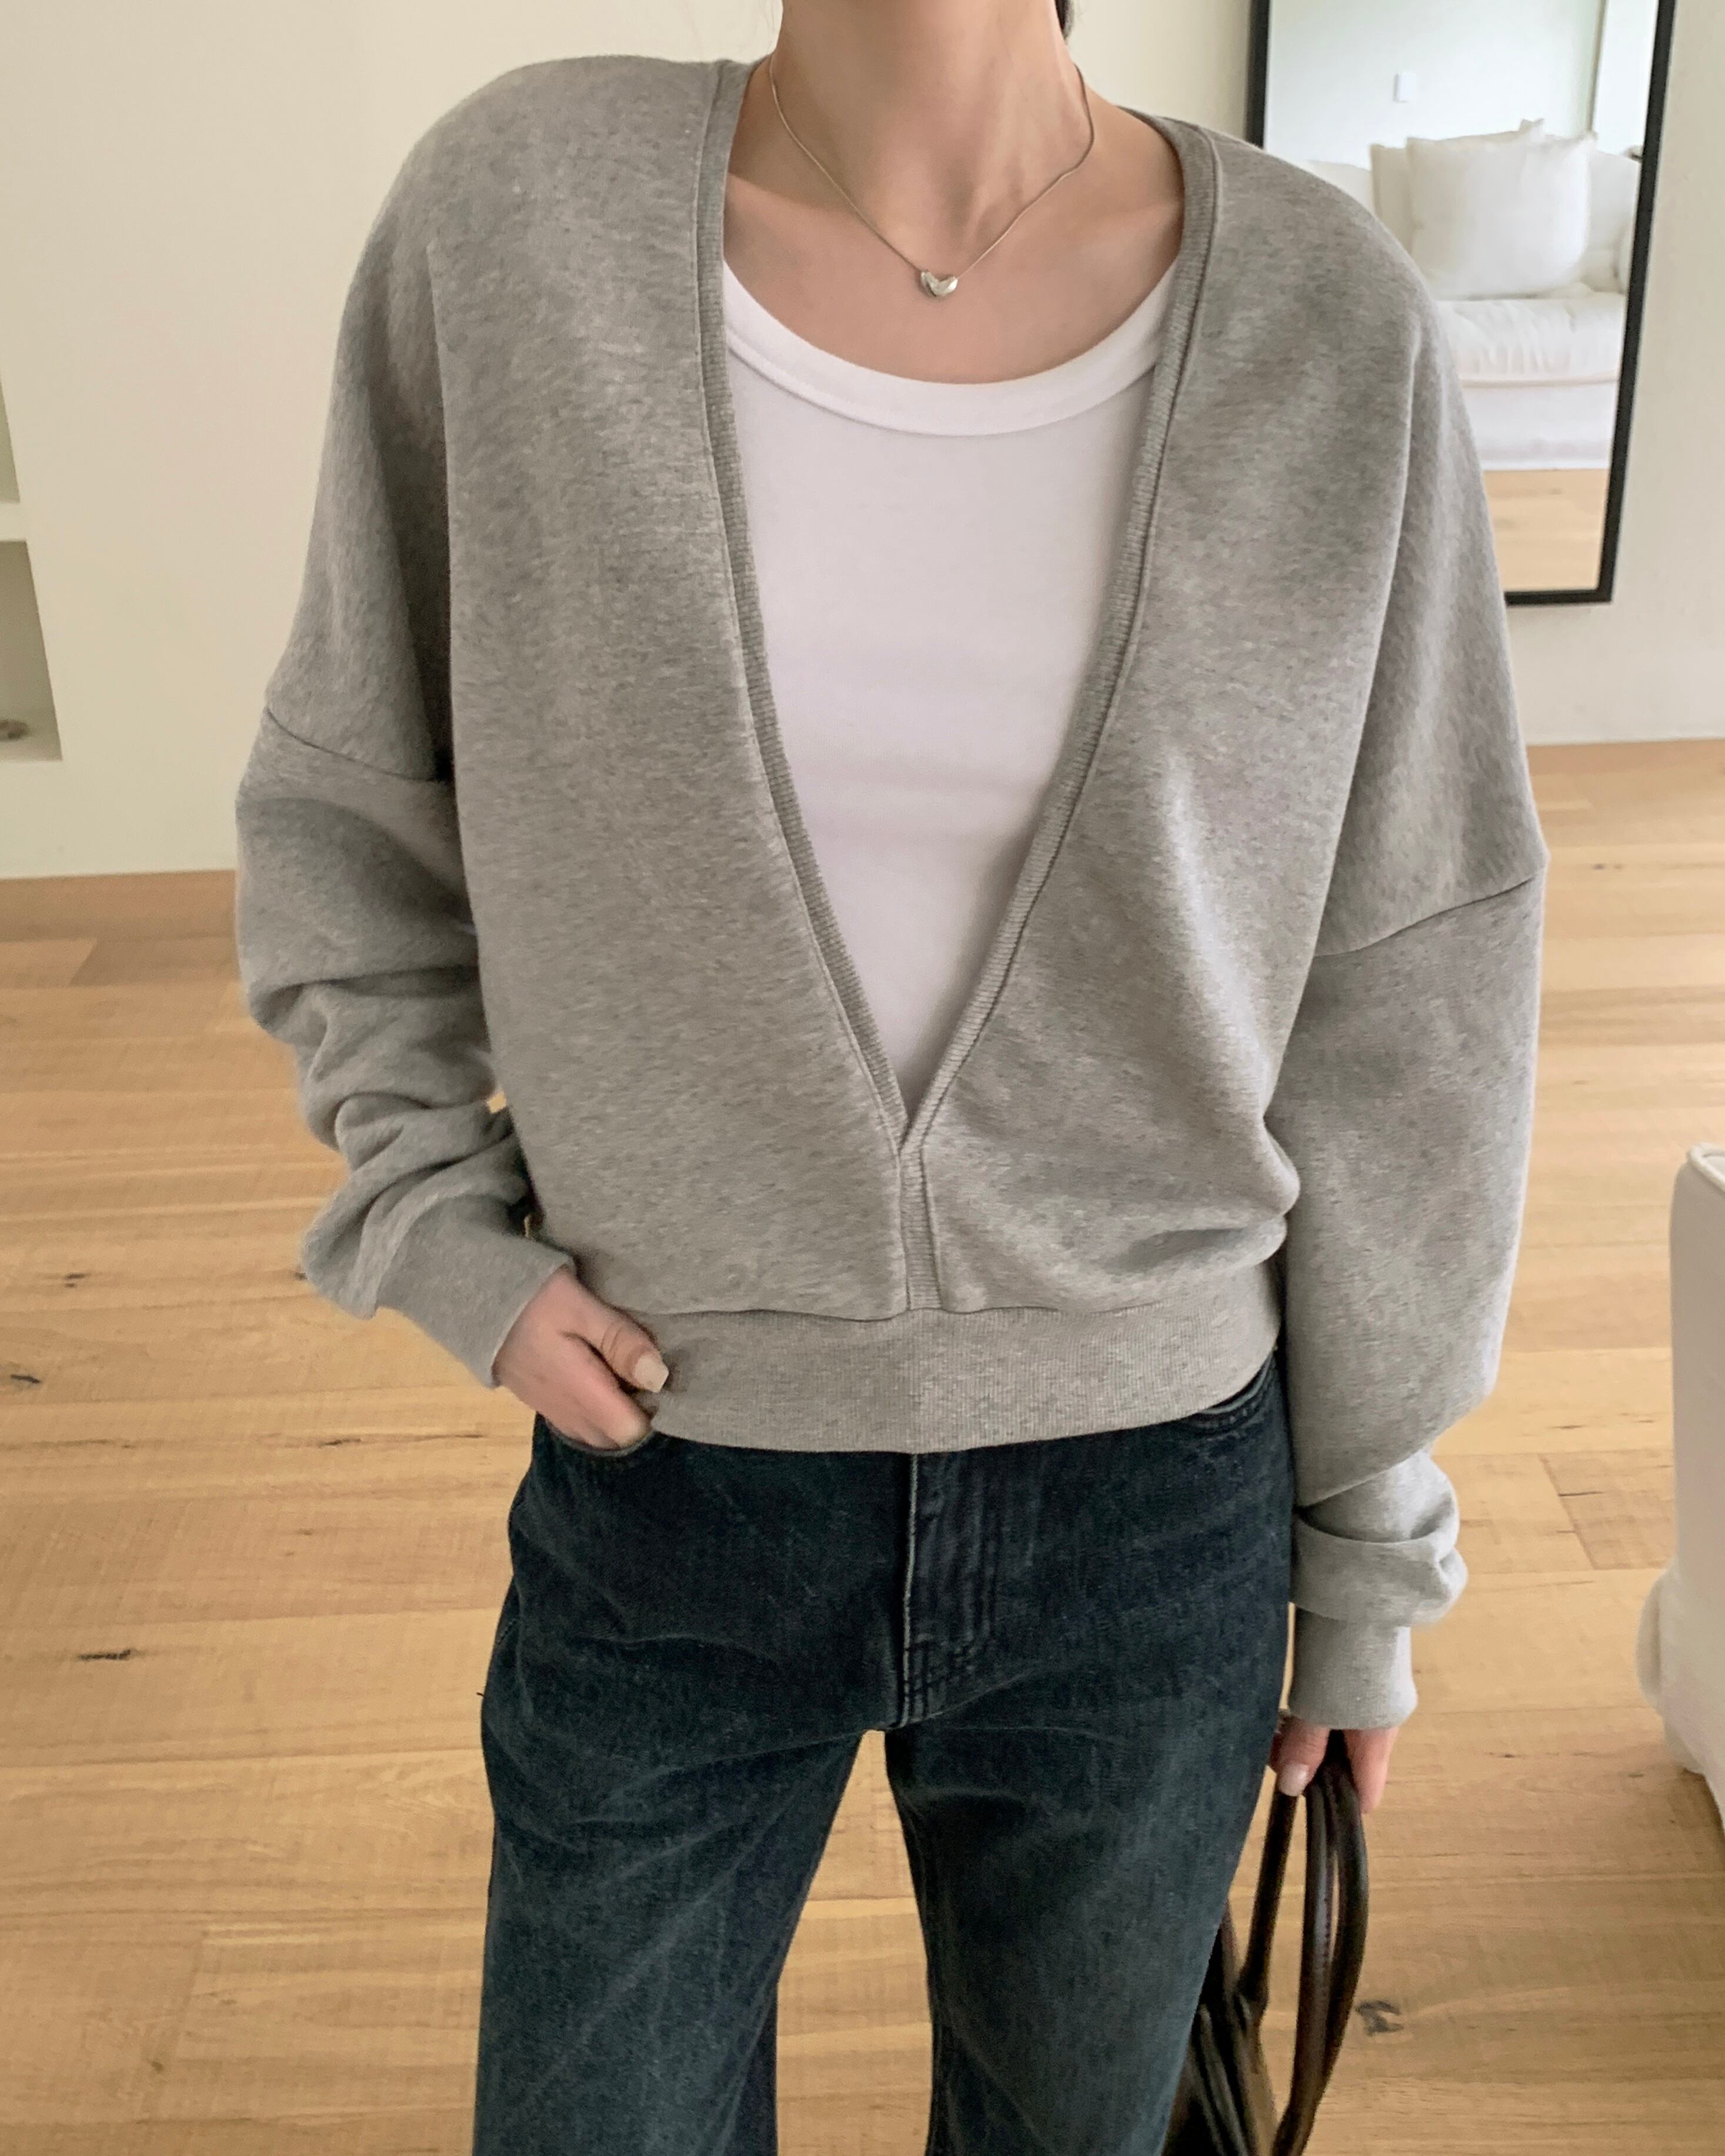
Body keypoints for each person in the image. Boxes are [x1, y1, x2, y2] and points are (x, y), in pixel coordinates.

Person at [233, 2, 1549, 2149]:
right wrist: (432, 1221)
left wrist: (1369, 1544)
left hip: (1152, 1507)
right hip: (674, 1464)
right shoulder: (518, 223)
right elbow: (351, 800)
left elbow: (1414, 983)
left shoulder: (1329, 320)